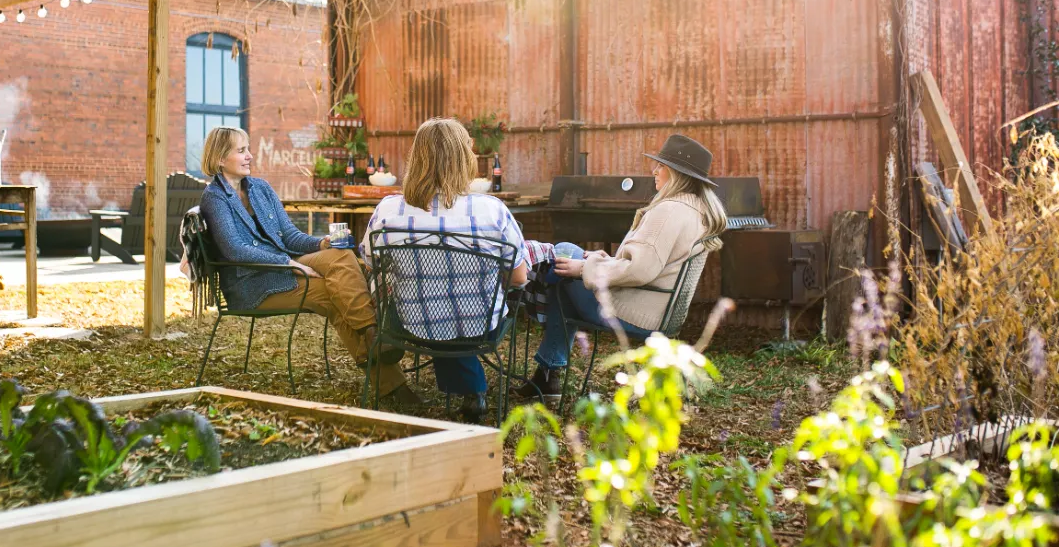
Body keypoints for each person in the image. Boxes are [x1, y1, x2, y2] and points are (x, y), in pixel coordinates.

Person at [197, 126, 417, 404]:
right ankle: (392, 383)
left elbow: (289, 235)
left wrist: (320, 244)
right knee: (331, 294)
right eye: (241, 151)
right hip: (252, 283)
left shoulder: (260, 188)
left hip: (283, 263)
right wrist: (289, 263)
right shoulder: (215, 198)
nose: (250, 156)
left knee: (340, 255)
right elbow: (235, 250)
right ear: (219, 159)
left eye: (249, 149)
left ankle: (371, 331)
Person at [516, 134, 726, 405]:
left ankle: (522, 294)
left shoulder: (669, 212)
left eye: (661, 166)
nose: (655, 171)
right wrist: (599, 261)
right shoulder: (695, 211)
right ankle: (546, 374)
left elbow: (640, 270)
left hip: (635, 312)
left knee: (563, 258)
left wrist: (584, 268)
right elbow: (646, 265)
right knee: (567, 268)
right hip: (658, 308)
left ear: (676, 174)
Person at [361, 118, 528, 420]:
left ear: (417, 158)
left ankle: (467, 384)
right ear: (465, 158)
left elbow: (371, 262)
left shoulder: (388, 210)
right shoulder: (492, 209)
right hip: (480, 324)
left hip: (410, 322)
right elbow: (519, 277)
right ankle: (477, 386)